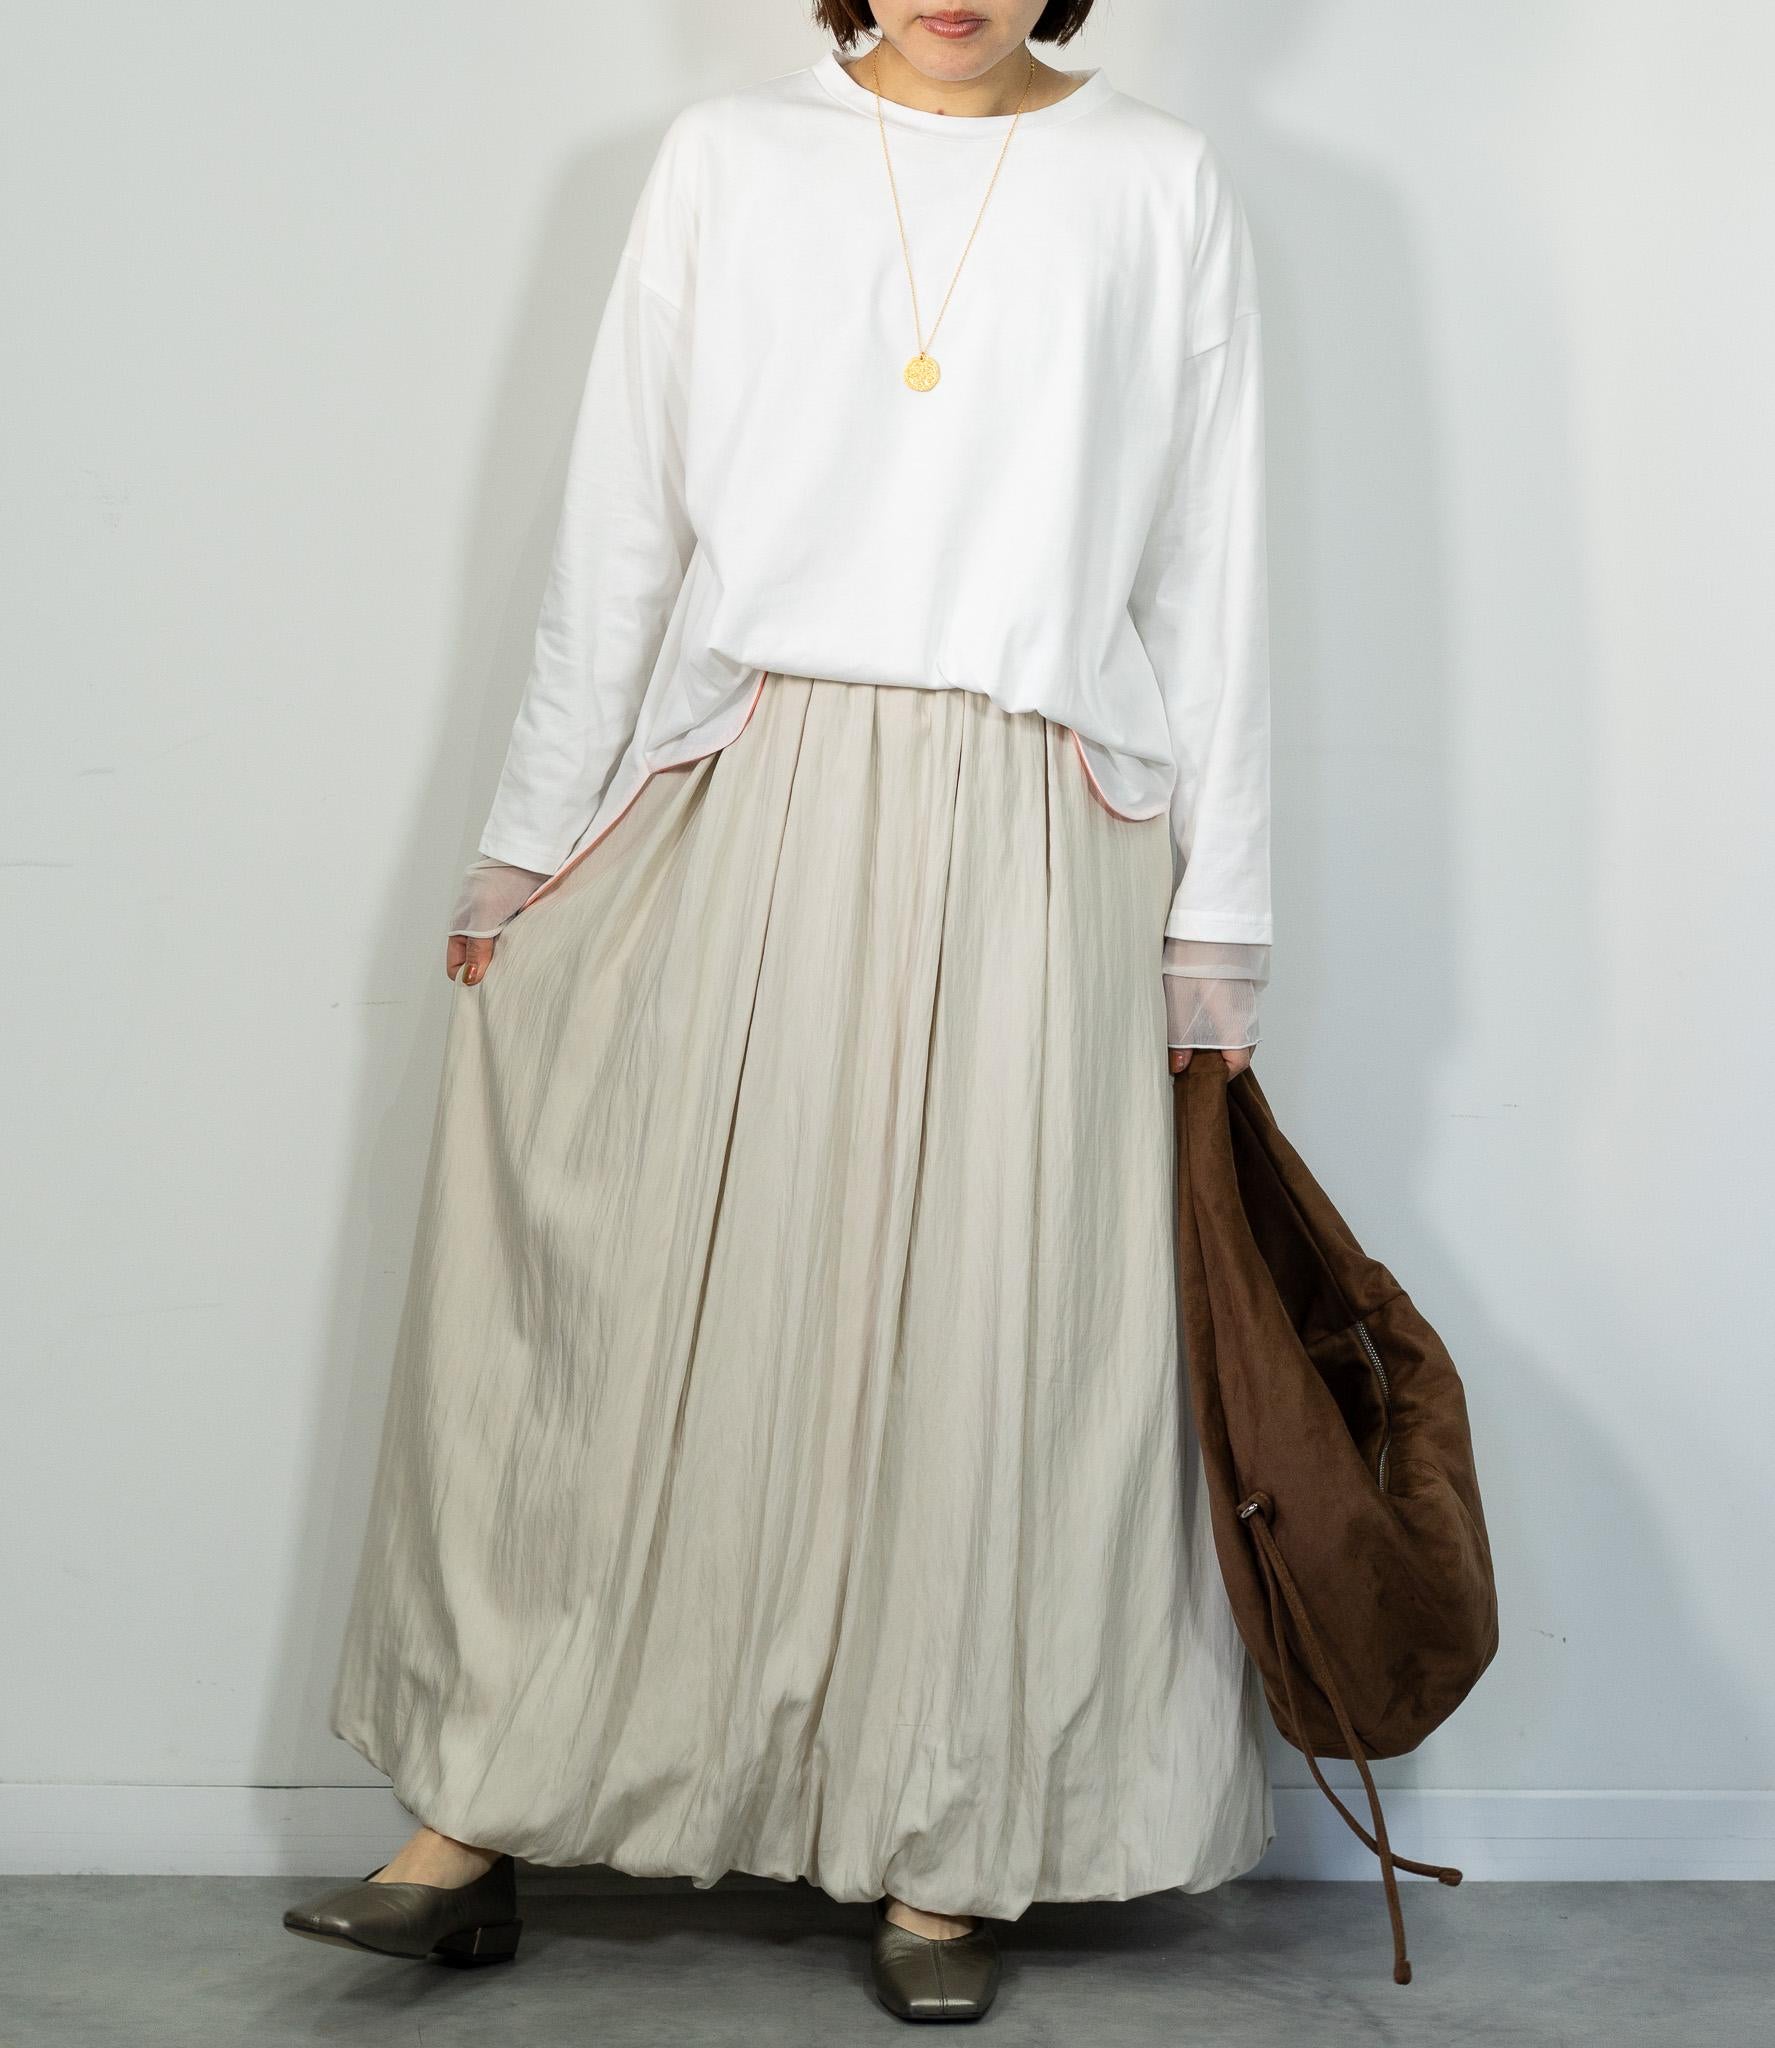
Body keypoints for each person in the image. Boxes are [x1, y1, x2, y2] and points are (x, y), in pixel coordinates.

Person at [283, 0, 1275, 2023]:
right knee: (651, 1313)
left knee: (986, 1343)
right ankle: (480, 1808)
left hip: (1039, 811)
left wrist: (1220, 923)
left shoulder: (1158, 181)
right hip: (748, 779)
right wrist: (530, 836)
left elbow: (1212, 568)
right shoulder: (727, 162)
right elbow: (619, 527)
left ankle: (946, 1850)